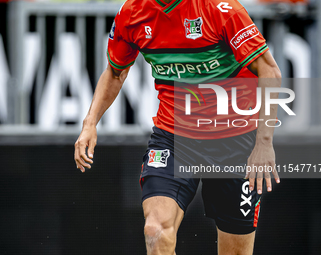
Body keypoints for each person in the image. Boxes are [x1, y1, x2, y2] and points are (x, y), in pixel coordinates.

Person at [74, 0, 281, 254]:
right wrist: (89, 123)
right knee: (155, 230)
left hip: (234, 137)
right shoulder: (131, 13)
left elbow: (269, 70)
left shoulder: (221, 9)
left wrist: (264, 143)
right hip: (173, 135)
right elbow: (115, 73)